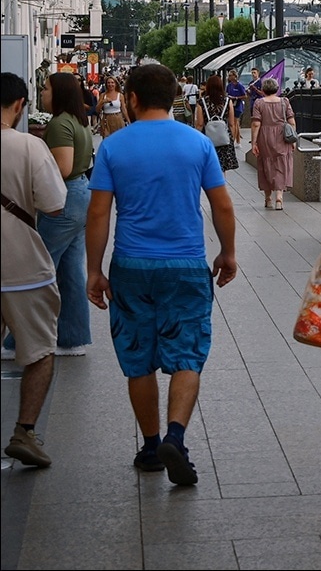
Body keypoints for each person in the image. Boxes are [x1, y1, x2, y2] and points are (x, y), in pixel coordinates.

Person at [86, 64, 237, 486]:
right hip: (186, 264)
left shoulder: (114, 146)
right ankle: (176, 436)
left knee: (139, 357)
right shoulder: (197, 143)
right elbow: (222, 205)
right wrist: (227, 252)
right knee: (187, 352)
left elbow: (98, 213)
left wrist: (94, 270)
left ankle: (151, 446)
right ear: (173, 98)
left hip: (131, 265)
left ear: (131, 98)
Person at [1, 72, 69, 468]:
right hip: (23, 266)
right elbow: (54, 204)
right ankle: (24, 431)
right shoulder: (29, 146)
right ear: (19, 105)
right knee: (41, 350)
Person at [39, 72, 95, 355]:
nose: (42, 92)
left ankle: (22, 339)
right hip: (80, 194)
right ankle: (73, 339)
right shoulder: (77, 121)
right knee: (71, 271)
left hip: (64, 198)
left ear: (59, 93)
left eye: (46, 88)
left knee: (39, 268)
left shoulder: (60, 123)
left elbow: (62, 167)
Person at [250, 77, 296, 209]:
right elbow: (292, 122)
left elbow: (256, 124)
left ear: (263, 90)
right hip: (282, 137)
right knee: (281, 165)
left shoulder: (259, 103)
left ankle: (268, 198)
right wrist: (293, 139)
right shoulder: (284, 102)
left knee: (265, 165)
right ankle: (279, 198)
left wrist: (254, 143)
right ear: (277, 89)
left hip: (265, 137)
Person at [196, 75, 240, 172]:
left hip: (207, 139)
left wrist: (196, 140)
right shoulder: (227, 101)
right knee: (222, 169)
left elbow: (200, 124)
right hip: (224, 139)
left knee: (208, 168)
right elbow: (232, 124)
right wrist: (231, 139)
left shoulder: (202, 102)